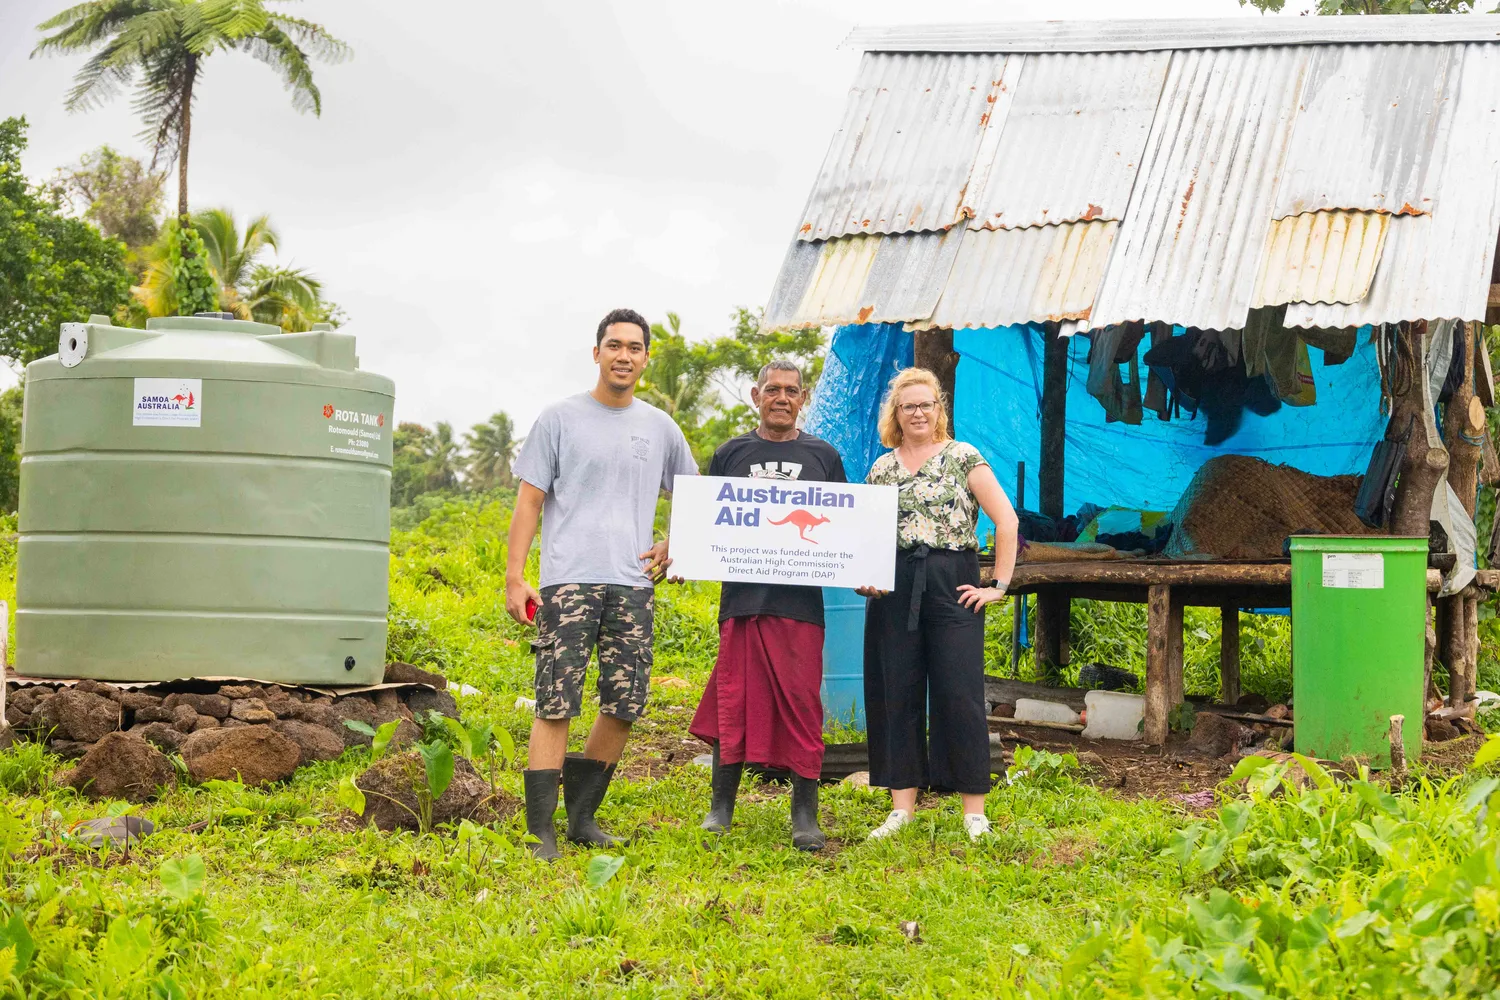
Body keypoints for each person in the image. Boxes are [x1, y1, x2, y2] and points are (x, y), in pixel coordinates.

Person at [506, 308, 698, 861]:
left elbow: (694, 497)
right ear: (597, 353)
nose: (624, 356)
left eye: (634, 347)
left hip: (633, 584)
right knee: (556, 701)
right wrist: (516, 577)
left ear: (646, 358)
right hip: (568, 582)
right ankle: (539, 828)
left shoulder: (660, 427)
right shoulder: (560, 419)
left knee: (625, 702)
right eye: (614, 345)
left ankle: (582, 818)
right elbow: (529, 502)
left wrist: (672, 542)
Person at [689, 359, 847, 852]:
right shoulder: (730, 453)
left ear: (803, 398)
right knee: (732, 700)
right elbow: (709, 523)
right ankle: (721, 807)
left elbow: (844, 528)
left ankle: (805, 815)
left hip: (800, 606)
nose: (782, 397)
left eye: (791, 390)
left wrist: (862, 572)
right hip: (742, 602)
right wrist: (686, 549)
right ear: (756, 396)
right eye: (772, 389)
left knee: (802, 703)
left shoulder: (824, 456)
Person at [856, 367, 1020, 842]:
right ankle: (901, 808)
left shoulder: (962, 457)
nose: (918, 412)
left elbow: (1006, 521)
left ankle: (973, 810)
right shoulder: (881, 468)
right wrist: (863, 577)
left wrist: (998, 585)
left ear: (939, 409)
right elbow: (865, 534)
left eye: (926, 404)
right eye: (909, 405)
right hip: (893, 587)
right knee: (896, 693)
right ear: (896, 414)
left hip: (953, 581)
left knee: (959, 693)